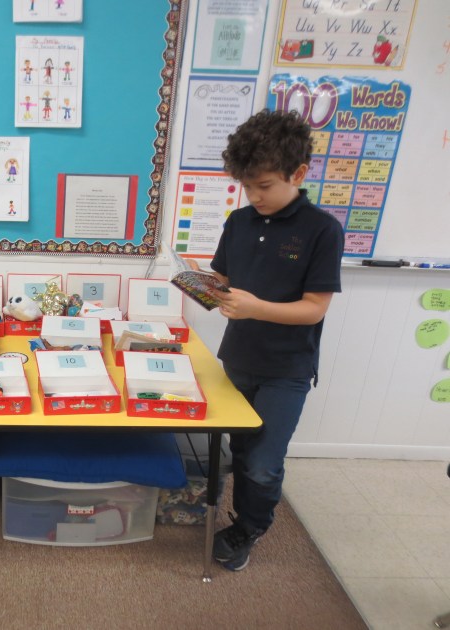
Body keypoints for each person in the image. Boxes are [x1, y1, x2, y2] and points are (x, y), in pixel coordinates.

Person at [206, 109, 344, 571]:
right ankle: (242, 512)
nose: (254, 196)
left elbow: (315, 308)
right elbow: (224, 279)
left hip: (287, 369)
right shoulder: (239, 221)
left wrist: (255, 307)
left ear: (297, 174)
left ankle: (250, 527)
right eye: (246, 186)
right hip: (238, 358)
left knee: (263, 462)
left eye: (263, 186)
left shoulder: (322, 229)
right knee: (242, 450)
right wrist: (201, 284)